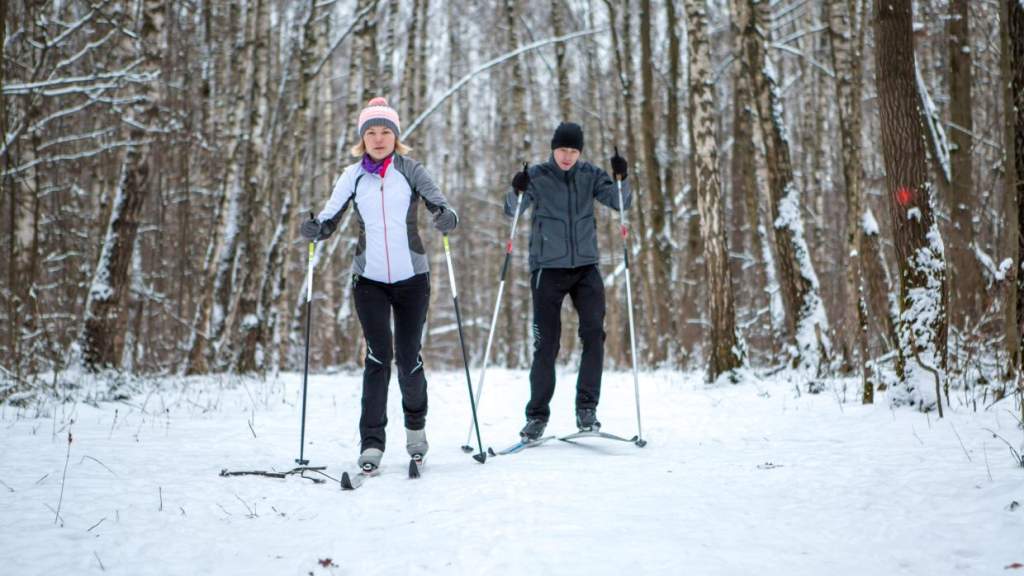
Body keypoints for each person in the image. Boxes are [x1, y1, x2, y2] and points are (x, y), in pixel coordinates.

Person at [301, 97, 458, 471]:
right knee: (377, 358)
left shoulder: (411, 170)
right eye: (370, 132)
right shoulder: (352, 175)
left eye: (385, 131)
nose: (378, 138)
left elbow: (442, 206)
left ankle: (416, 431)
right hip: (368, 280)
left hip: (412, 279)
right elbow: (329, 218)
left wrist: (447, 218)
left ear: (396, 136)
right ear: (362, 138)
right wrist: (316, 229)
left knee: (407, 358)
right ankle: (372, 443)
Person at [505, 122, 630, 441]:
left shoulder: (590, 174)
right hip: (547, 270)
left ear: (580, 152)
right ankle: (536, 416)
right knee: (546, 344)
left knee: (593, 332)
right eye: (562, 150)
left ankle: (587, 409)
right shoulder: (539, 176)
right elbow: (512, 210)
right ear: (553, 148)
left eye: (573, 151)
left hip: (586, 268)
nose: (567, 156)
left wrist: (621, 178)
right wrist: (516, 188)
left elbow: (620, 202)